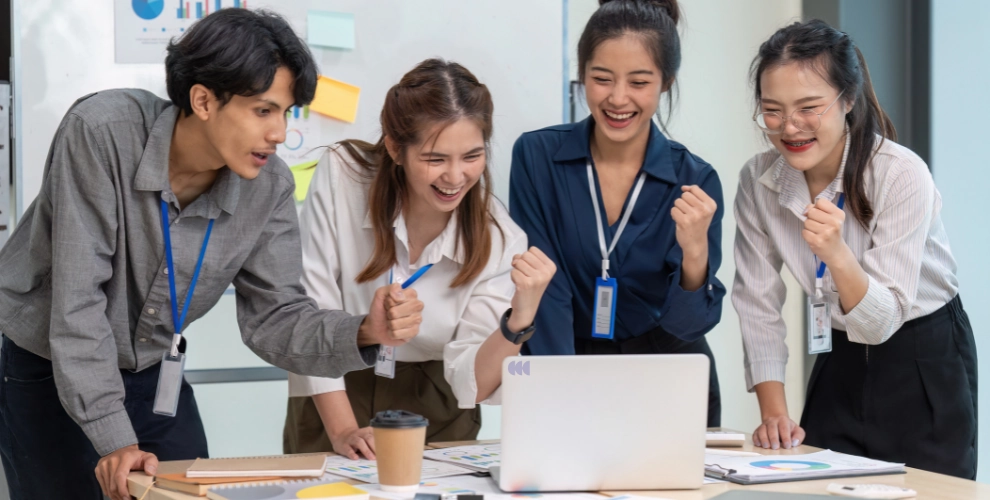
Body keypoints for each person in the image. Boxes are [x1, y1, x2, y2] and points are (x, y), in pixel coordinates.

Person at [0, 9, 422, 500]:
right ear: (203, 100)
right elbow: (77, 305)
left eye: (286, 113)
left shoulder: (269, 187)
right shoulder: (101, 133)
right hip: (50, 366)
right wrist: (116, 440)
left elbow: (276, 317)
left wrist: (365, 330)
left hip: (153, 371)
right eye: (263, 111)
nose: (279, 133)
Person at [733, 19, 977, 479]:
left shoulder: (900, 173)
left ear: (847, 99)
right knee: (819, 484)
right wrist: (774, 412)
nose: (789, 127)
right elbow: (756, 300)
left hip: (922, 353)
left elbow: (883, 321)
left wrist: (837, 254)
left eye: (809, 108)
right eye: (772, 111)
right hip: (839, 353)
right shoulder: (757, 180)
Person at [283, 59, 556, 459]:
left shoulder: (499, 236)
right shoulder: (343, 176)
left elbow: (472, 383)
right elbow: (312, 307)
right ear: (395, 148)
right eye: (435, 159)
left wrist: (520, 319)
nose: (455, 177)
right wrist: (343, 430)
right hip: (334, 388)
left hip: (436, 403)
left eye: (472, 156)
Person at [508, 0, 725, 427]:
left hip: (667, 379)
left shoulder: (695, 179)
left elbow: (688, 325)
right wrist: (559, 392)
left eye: (639, 82)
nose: (618, 98)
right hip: (565, 364)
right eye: (601, 79)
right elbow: (547, 289)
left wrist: (695, 253)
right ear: (582, 74)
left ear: (666, 82)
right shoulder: (537, 156)